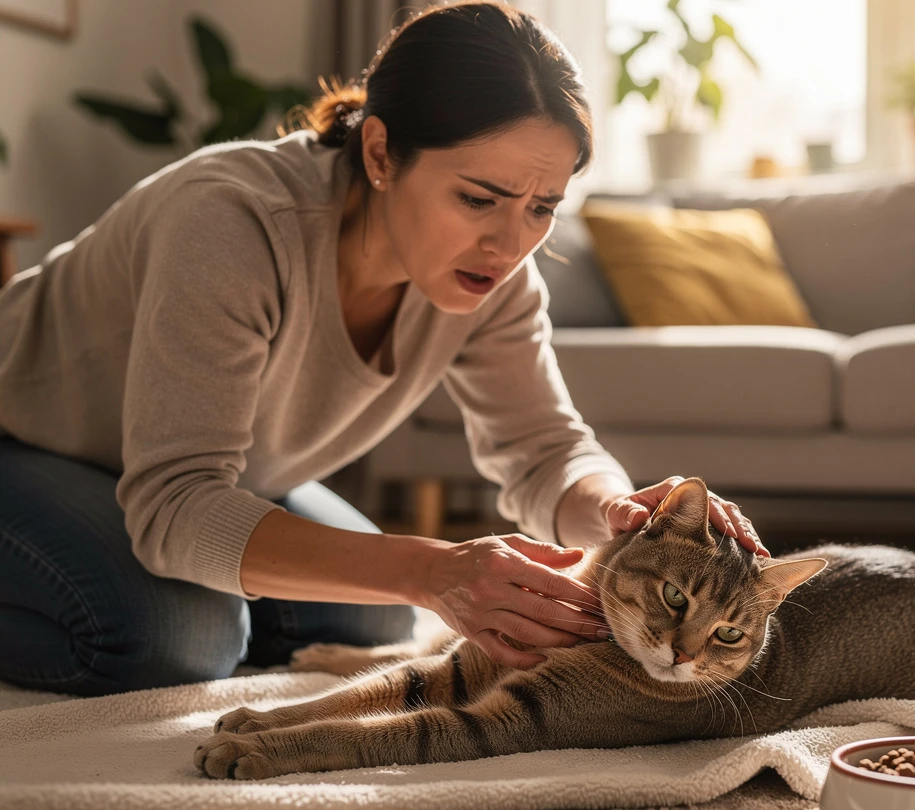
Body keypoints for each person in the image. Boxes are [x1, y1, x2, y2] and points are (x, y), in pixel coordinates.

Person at [0, 1, 767, 698]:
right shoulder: (231, 222)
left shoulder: (497, 274)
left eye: (542, 208)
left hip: (207, 474)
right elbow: (174, 505)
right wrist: (435, 571)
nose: (509, 243)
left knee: (367, 625)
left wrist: (619, 512)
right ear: (379, 154)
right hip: (28, 441)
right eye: (478, 198)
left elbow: (542, 449)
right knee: (177, 639)